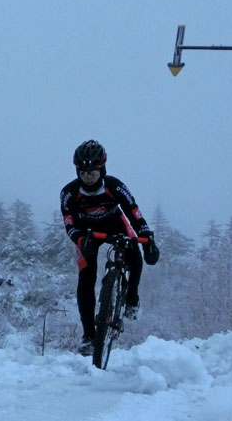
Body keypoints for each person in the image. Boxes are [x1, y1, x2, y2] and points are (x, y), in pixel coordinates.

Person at [60, 139, 159, 355]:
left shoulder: (115, 186)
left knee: (135, 257)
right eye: (83, 171)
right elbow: (68, 221)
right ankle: (88, 336)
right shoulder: (69, 192)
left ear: (102, 169)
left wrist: (147, 237)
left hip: (115, 226)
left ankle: (132, 298)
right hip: (86, 233)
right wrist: (78, 238)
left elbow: (134, 212)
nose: (88, 176)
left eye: (93, 171)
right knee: (86, 278)